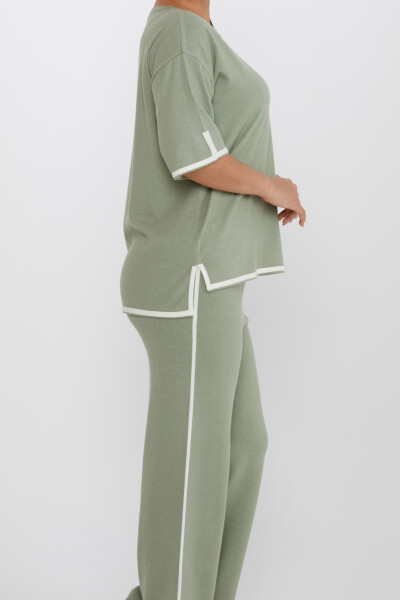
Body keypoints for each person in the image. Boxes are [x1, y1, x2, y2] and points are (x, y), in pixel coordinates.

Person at [119, 2, 306, 600]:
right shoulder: (178, 30)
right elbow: (191, 154)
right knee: (193, 470)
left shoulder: (196, 30)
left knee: (243, 448)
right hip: (189, 280)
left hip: (215, 278)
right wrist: (270, 185)